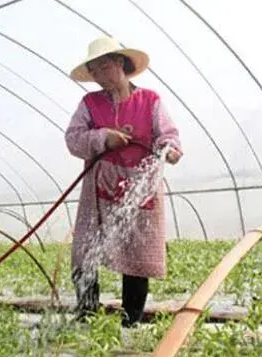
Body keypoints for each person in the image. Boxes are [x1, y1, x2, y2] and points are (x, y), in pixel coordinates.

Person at [65, 36, 183, 327]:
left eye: (104, 68)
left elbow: (168, 135)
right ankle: (86, 315)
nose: (100, 77)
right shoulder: (89, 104)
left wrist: (171, 149)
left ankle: (131, 321)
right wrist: (104, 137)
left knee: (136, 256)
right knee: (85, 253)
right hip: (100, 188)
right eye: (94, 72)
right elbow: (73, 139)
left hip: (141, 188)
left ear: (120, 63)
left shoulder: (150, 101)